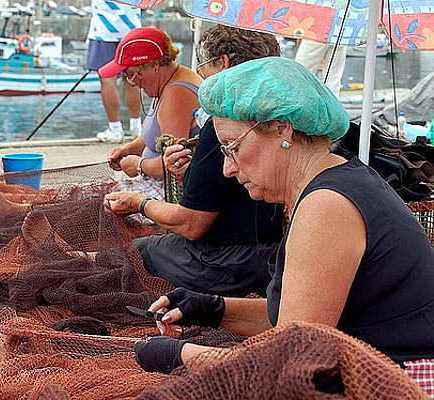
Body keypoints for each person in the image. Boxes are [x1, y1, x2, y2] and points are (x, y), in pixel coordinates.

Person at [133, 57, 434, 392]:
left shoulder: (327, 205)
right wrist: (215, 308)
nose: (226, 169)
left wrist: (181, 355)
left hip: (395, 383)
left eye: (231, 148)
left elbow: (289, 362)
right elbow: (299, 322)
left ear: (282, 129)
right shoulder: (338, 181)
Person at [104, 26, 283, 297]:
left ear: (222, 63)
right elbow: (225, 188)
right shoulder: (285, 115)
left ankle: (87, 259)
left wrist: (137, 203)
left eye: (203, 67)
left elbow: (192, 225)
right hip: (277, 251)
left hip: (233, 261)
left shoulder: (223, 125)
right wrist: (186, 173)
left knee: (139, 251)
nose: (201, 78)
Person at [100, 26, 202, 199]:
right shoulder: (169, 81)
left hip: (173, 194)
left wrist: (140, 165)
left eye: (132, 74)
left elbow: (176, 162)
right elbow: (157, 136)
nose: (132, 83)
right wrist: (127, 149)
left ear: (154, 65)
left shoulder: (177, 94)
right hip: (158, 185)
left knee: (95, 204)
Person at [86, 0, 142, 142]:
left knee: (107, 78)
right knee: (132, 79)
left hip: (104, 30)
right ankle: (137, 128)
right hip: (131, 29)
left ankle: (115, 129)